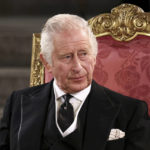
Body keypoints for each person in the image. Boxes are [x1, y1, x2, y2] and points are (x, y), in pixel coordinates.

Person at [0, 14, 150, 150]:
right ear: (46, 62)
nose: (78, 67)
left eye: (83, 54)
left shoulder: (131, 112)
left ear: (94, 57)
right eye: (67, 57)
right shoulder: (17, 103)